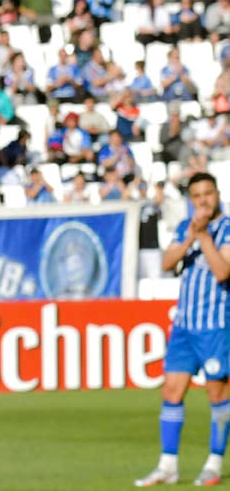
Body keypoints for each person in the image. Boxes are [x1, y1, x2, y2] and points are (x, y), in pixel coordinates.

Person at [135, 173, 230, 487]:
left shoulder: (227, 228)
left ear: (217, 194)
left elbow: (222, 270)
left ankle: (214, 464)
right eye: (197, 195)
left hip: (215, 325)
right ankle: (168, 466)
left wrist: (204, 238)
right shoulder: (184, 228)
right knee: (171, 392)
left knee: (218, 395)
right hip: (184, 326)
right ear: (191, 200)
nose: (203, 200)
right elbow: (166, 262)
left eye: (208, 193)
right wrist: (191, 235)